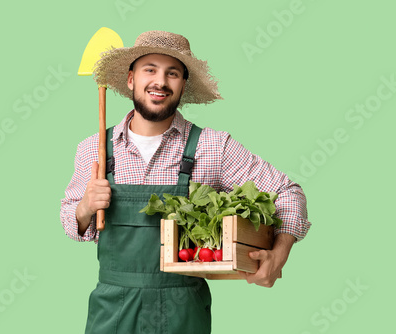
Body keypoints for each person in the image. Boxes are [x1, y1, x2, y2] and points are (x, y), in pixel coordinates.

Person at [60, 30, 311, 334]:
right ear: (131, 79)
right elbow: (71, 221)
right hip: (112, 311)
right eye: (149, 69)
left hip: (182, 313)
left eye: (173, 73)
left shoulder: (212, 147)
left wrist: (279, 254)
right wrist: (85, 207)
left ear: (183, 84)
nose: (160, 82)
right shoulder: (94, 148)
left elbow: (287, 193)